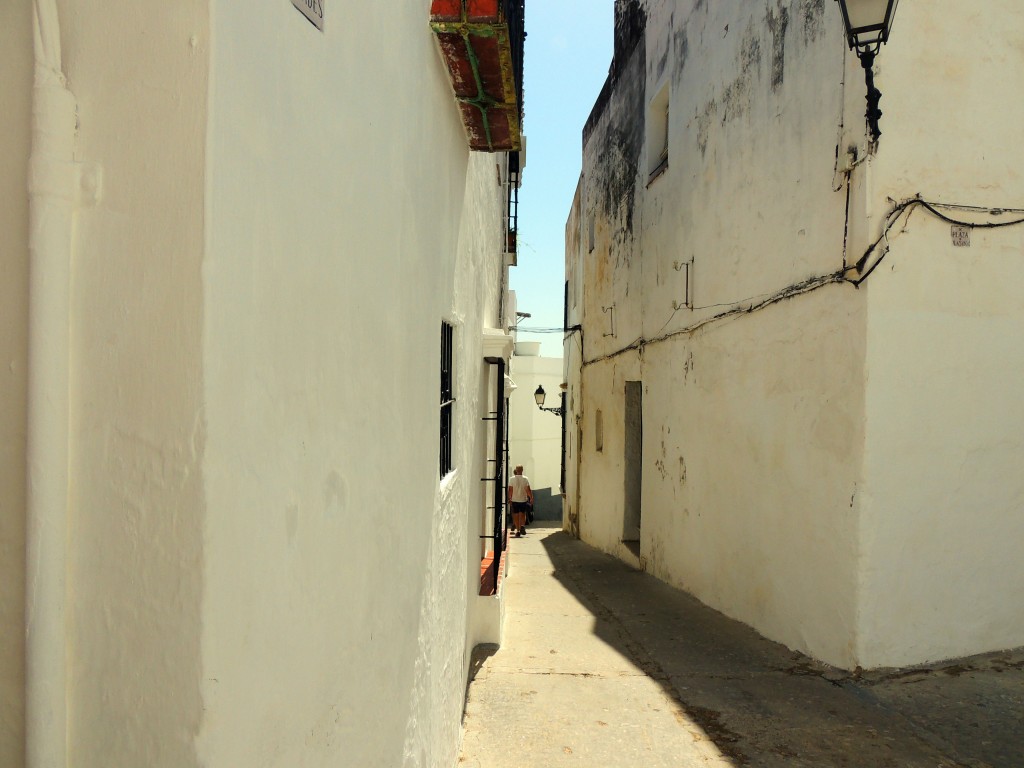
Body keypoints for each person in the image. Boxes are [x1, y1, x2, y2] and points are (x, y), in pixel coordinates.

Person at [507, 465, 533, 538]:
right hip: (523, 499)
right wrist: (531, 497)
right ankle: (522, 526)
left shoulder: (511, 479)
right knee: (523, 514)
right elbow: (528, 489)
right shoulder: (525, 479)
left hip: (514, 499)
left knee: (516, 515)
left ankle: (518, 531)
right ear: (522, 470)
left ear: (516, 470)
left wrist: (509, 498)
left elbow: (510, 490)